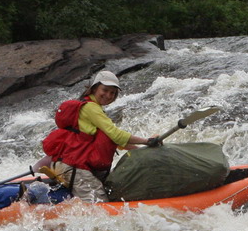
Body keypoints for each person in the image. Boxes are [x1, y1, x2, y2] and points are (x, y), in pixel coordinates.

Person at [40, 70, 160, 200]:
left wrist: (142, 150)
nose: (108, 95)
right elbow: (116, 135)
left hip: (68, 166)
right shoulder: (91, 108)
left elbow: (115, 141)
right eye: (105, 90)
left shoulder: (91, 108)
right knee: (99, 203)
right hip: (74, 167)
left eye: (112, 92)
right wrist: (146, 141)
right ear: (94, 88)